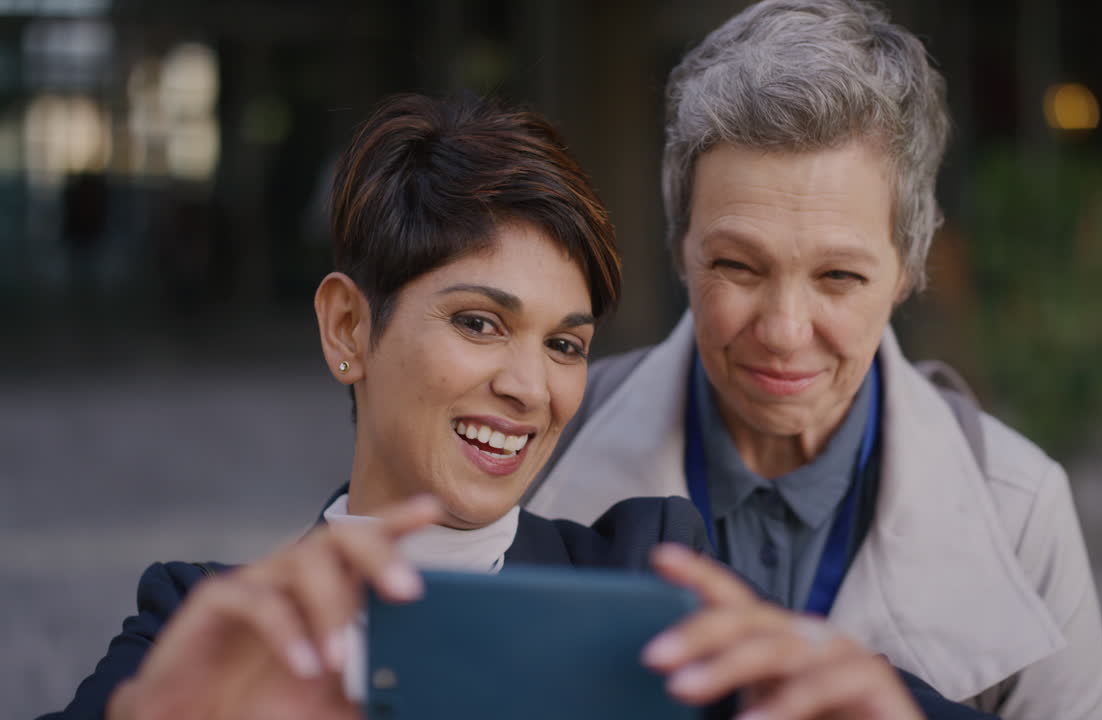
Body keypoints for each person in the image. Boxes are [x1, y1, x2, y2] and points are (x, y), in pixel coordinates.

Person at [42, 94, 992, 720]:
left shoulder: (641, 582)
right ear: (347, 327)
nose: (532, 388)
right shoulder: (202, 628)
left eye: (566, 344)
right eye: (481, 324)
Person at [523, 2, 1102, 718]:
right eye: (739, 266)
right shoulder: (536, 443)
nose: (783, 330)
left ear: (908, 270)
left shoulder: (1021, 509)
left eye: (839, 277)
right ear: (682, 248)